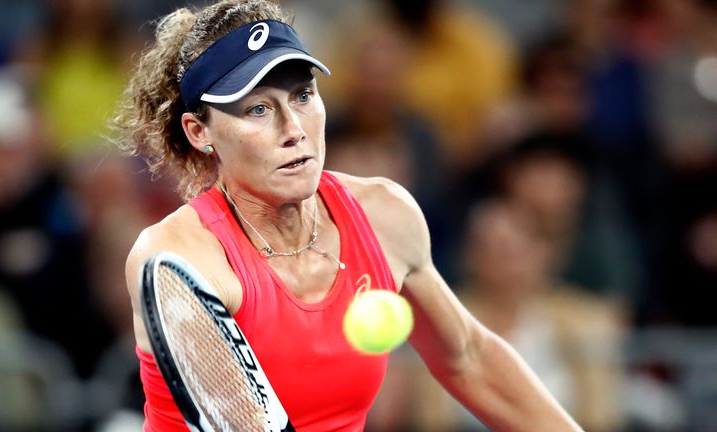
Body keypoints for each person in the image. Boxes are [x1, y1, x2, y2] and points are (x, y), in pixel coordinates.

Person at [113, 0, 583, 430]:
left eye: (302, 95)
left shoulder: (384, 214)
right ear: (199, 132)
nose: (293, 129)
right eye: (258, 109)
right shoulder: (177, 258)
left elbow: (467, 358)